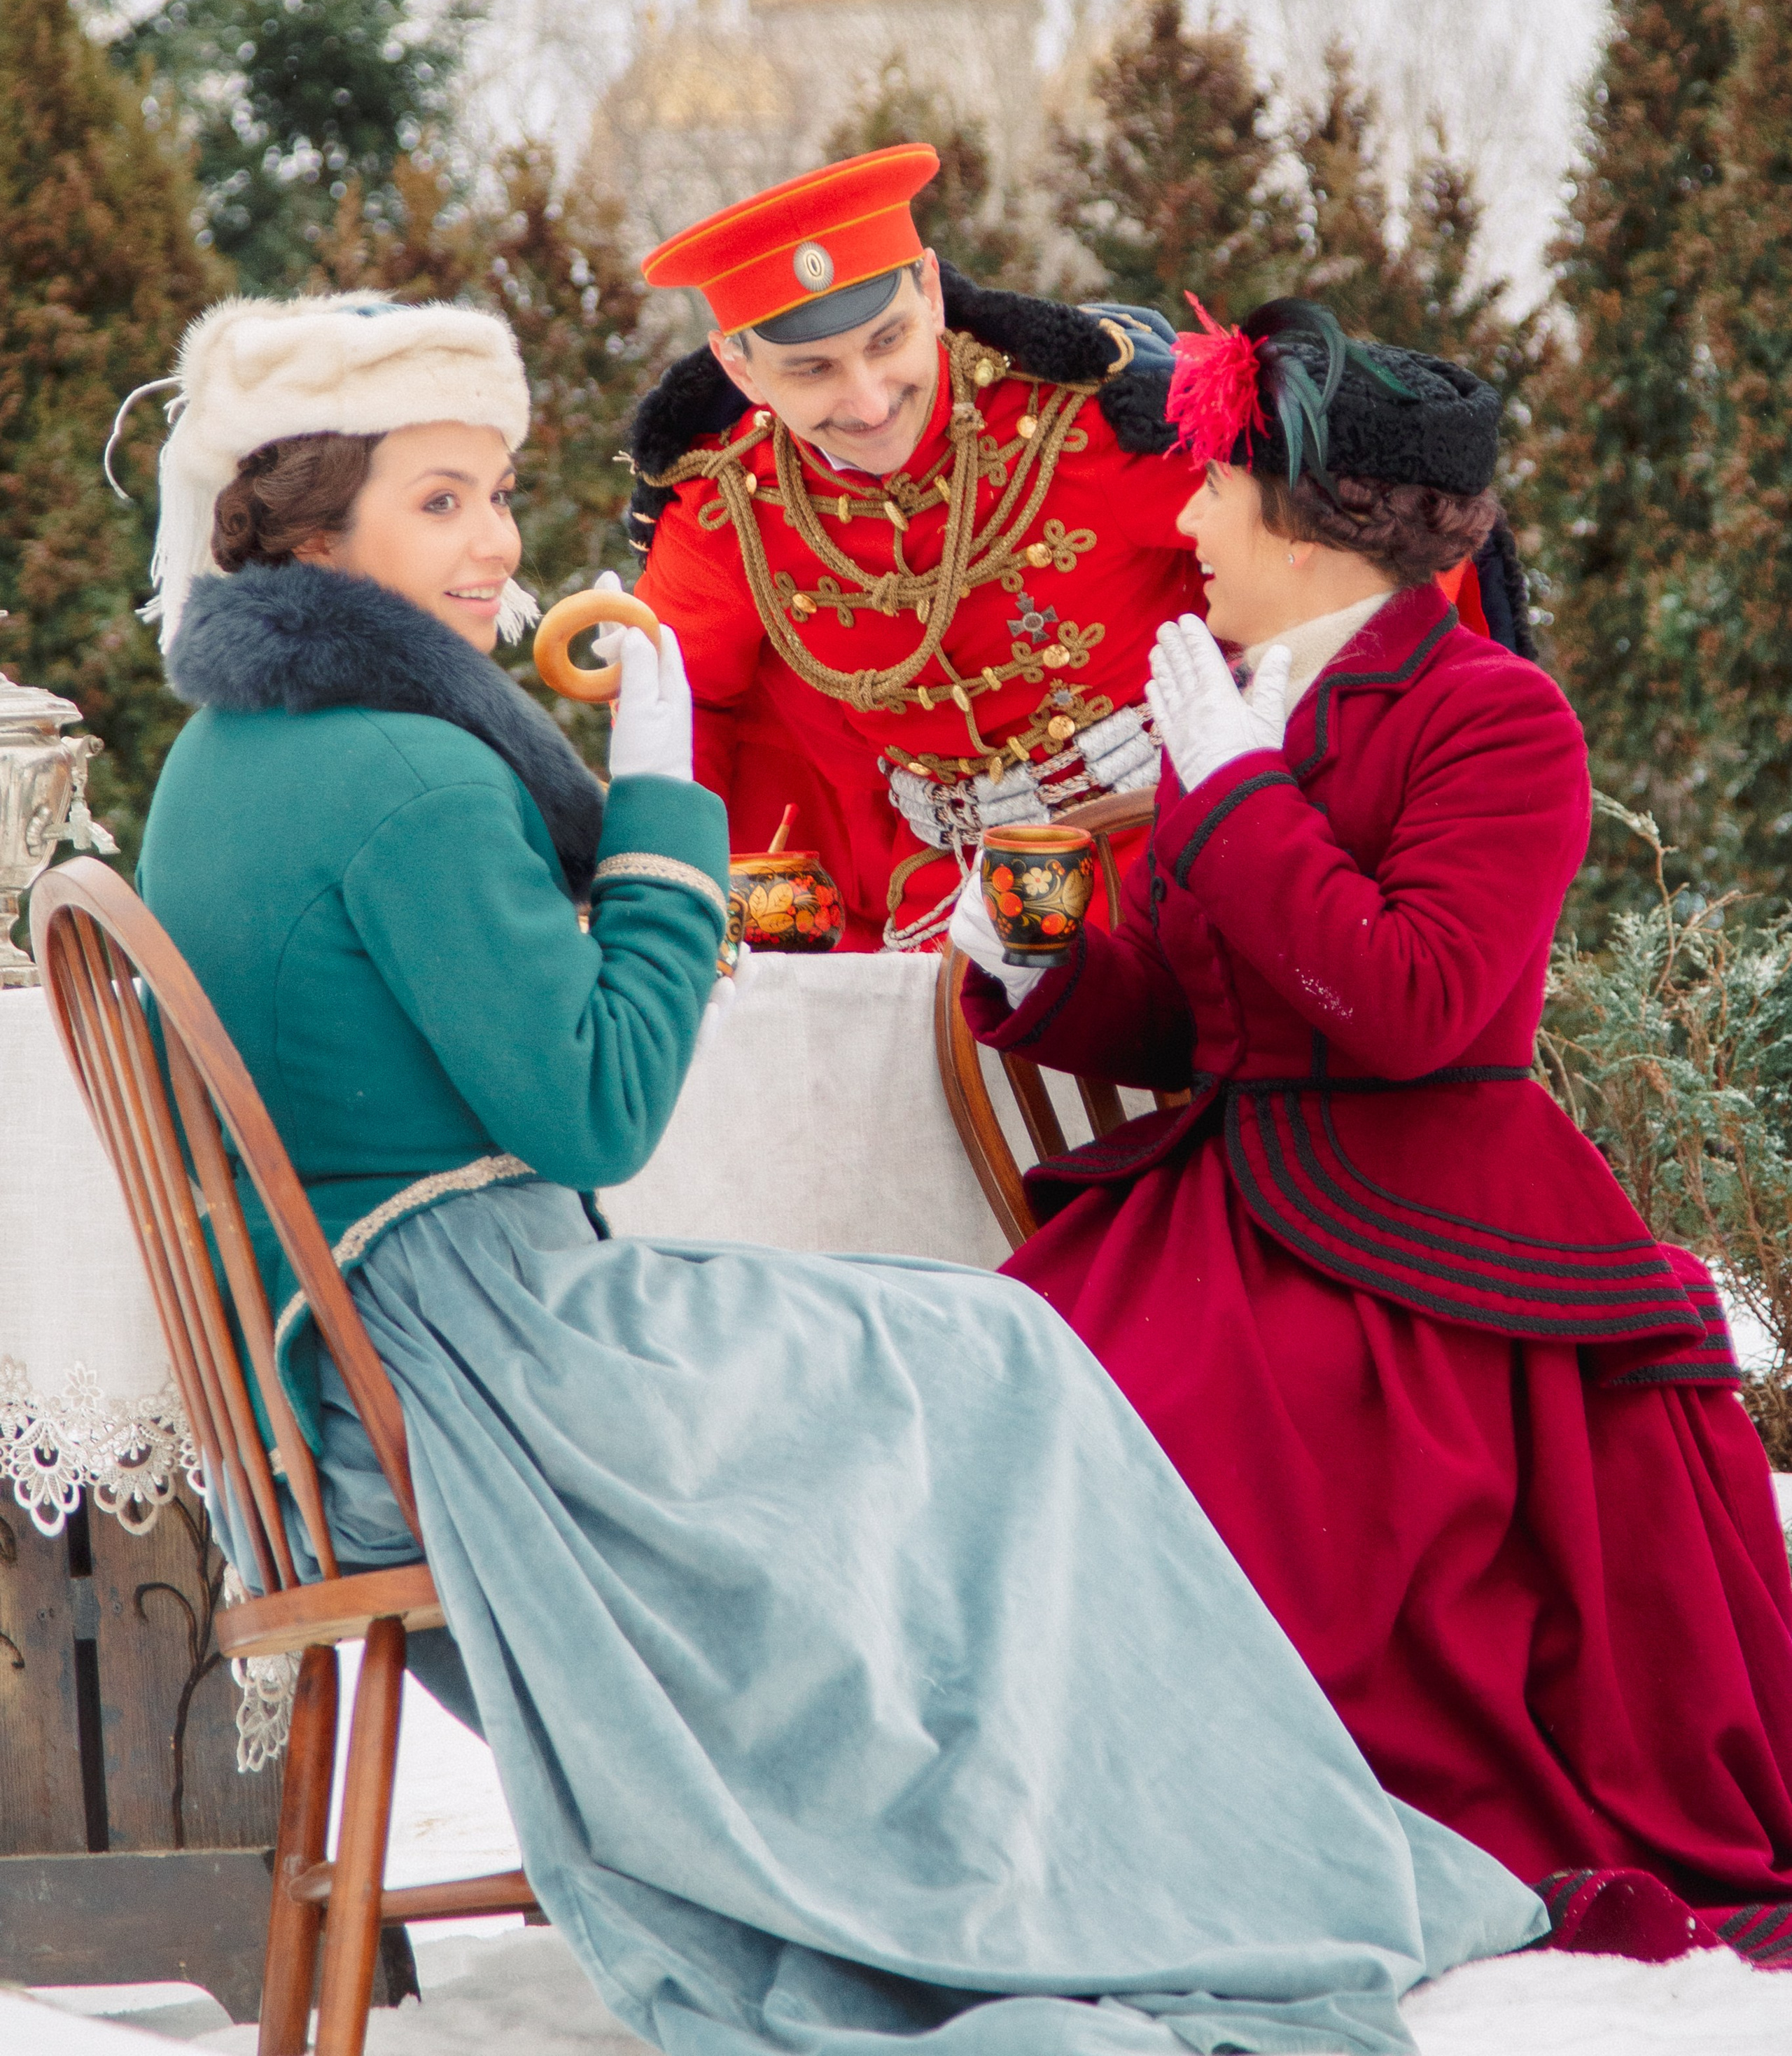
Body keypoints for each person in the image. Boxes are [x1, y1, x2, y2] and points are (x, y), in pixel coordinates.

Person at [123, 291, 1548, 2056]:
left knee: (960, 1340)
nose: (494, 542)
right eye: (437, 502)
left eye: (493, 492)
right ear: (305, 532)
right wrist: (660, 814)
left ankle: (1027, 1838)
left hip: (345, 1361)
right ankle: (1041, 1860)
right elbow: (598, 1114)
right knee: (1002, 1353)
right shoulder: (408, 770)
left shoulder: (223, 756)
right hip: (471, 1363)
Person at [951, 295, 1792, 1971]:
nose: (1182, 517)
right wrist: (1042, 966)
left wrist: (1232, 790)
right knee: (993, 1398)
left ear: (1309, 515)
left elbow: (1410, 1005)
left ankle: (1235, 1815)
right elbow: (1202, 1023)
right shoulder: (1237, 699)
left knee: (1182, 1441)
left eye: (1209, 481)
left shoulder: (1493, 717)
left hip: (1422, 1232)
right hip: (1221, 1199)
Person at [625, 145, 1213, 951]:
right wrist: (682, 912)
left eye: (887, 340)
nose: (868, 404)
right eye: (812, 371)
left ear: (931, 293)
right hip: (944, 902)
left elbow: (1305, 559)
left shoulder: (1083, 421)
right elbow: (675, 711)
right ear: (740, 367)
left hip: (1175, 854)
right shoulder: (728, 506)